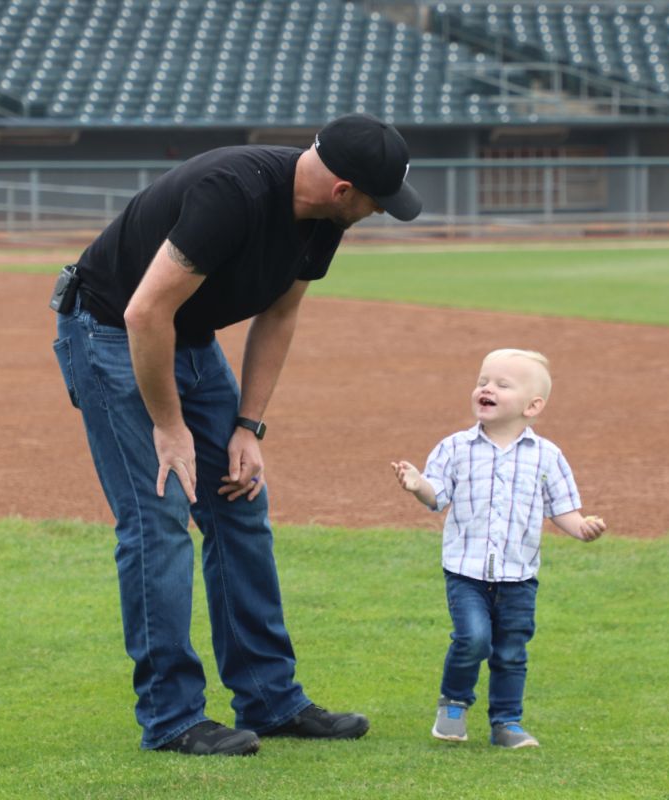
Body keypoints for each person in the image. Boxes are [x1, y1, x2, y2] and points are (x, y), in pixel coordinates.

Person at [51, 113, 423, 756]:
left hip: (188, 341)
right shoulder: (232, 191)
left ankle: (271, 700)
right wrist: (170, 429)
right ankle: (172, 718)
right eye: (376, 203)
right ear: (343, 191)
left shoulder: (322, 224)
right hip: (114, 334)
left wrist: (248, 426)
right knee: (158, 517)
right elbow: (145, 311)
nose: (378, 213)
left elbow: (280, 314)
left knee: (240, 502)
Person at [390, 348, 606, 749]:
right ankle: (454, 703)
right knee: (473, 638)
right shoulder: (455, 447)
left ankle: (506, 723)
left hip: (519, 576)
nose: (486, 389)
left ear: (532, 405)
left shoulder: (547, 456)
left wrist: (583, 528)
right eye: (483, 381)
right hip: (466, 571)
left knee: (510, 651)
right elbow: (436, 497)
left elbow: (564, 510)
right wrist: (418, 483)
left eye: (501, 385)